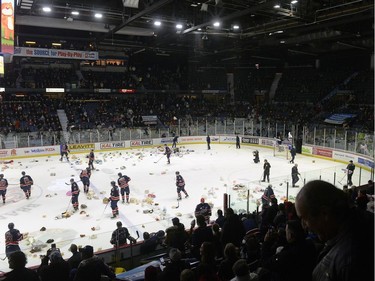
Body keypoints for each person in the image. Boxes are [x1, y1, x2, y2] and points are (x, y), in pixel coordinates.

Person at [295, 180, 374, 281]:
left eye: (304, 219)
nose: (304, 225)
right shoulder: (362, 220)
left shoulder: (349, 263)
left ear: (324, 213)